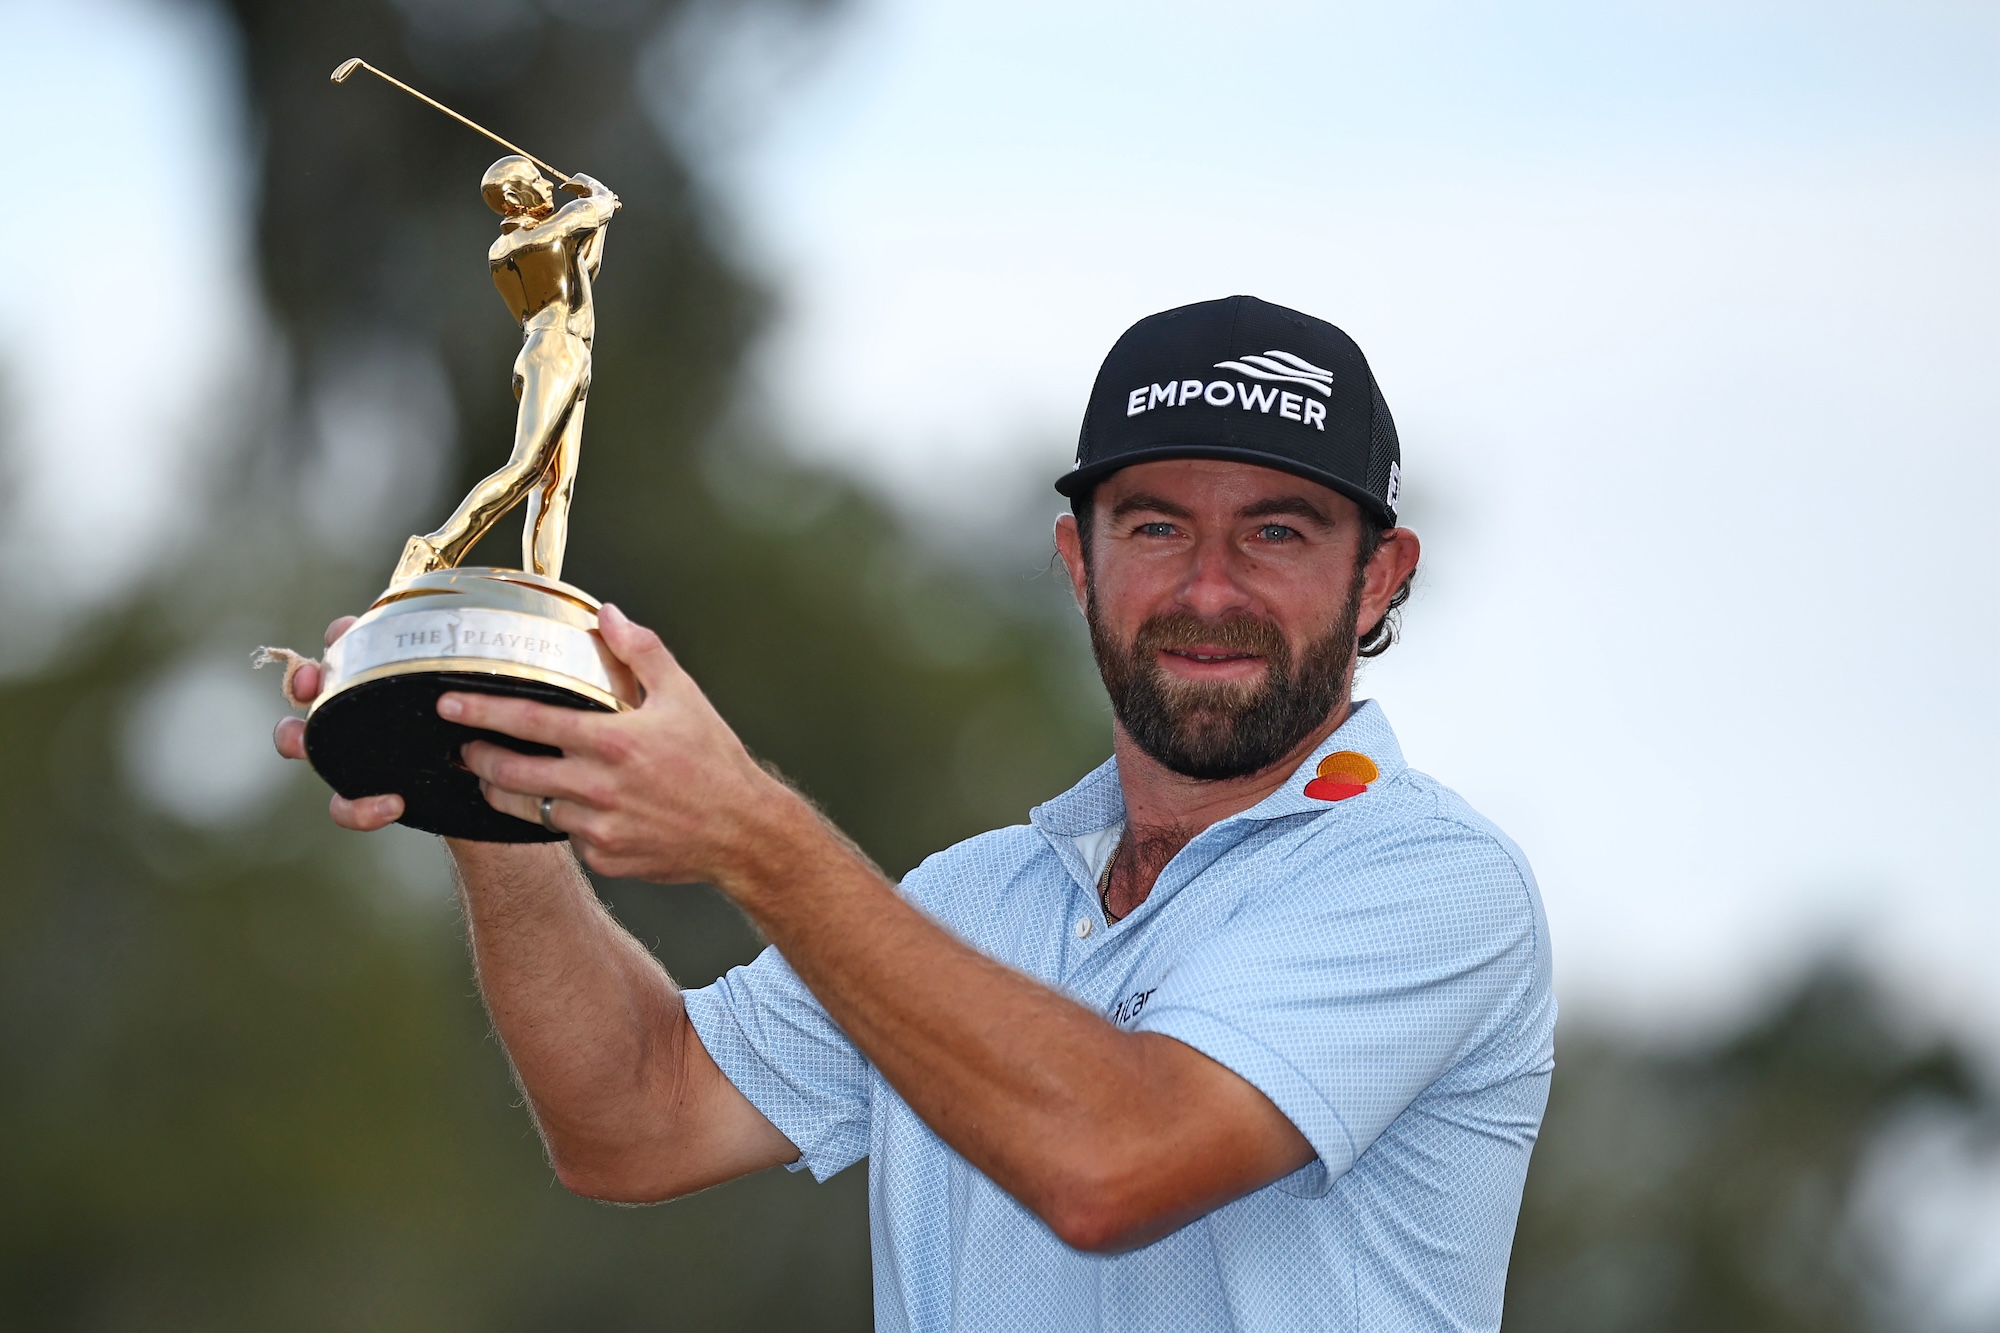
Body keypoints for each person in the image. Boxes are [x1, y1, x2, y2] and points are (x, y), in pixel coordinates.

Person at [275, 295, 1554, 1331]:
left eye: (1276, 532)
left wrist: (751, 832)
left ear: (1379, 572)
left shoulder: (1430, 882)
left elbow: (1115, 1161)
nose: (1205, 587)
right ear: (1077, 560)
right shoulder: (971, 898)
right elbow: (633, 1117)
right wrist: (494, 791)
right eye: (1154, 524)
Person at [392, 156, 620, 584]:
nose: (549, 186)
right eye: (538, 180)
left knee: (556, 488)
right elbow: (595, 205)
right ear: (515, 197)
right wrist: (591, 189)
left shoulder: (528, 245)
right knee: (528, 466)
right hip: (555, 350)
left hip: (561, 352)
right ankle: (436, 547)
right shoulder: (523, 242)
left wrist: (600, 218)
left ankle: (544, 589)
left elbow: (584, 269)